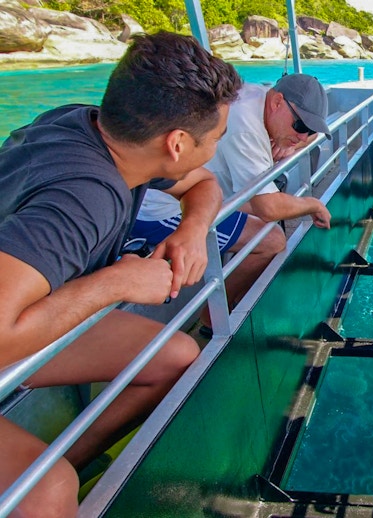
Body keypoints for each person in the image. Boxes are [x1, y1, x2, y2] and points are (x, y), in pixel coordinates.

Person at [0, 32, 241, 516]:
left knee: (173, 357)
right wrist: (114, 283)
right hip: (8, 333)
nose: (215, 149)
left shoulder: (95, 128)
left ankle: (67, 458)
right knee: (44, 493)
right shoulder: (84, 198)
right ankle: (52, 477)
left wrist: (194, 229)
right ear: (176, 143)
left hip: (26, 310)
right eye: (215, 138)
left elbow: (203, 182)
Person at [132, 73, 332, 336]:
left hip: (209, 193)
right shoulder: (245, 124)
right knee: (272, 240)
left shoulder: (256, 97)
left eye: (311, 130)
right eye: (300, 126)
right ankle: (213, 320)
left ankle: (232, 298)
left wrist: (290, 144)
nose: (304, 136)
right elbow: (268, 208)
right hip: (163, 209)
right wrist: (313, 205)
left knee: (262, 222)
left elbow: (262, 198)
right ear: (277, 102)